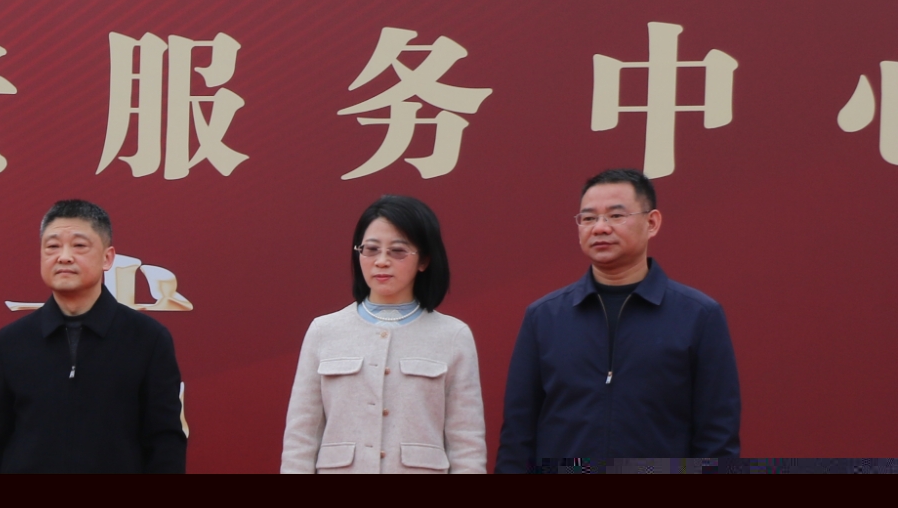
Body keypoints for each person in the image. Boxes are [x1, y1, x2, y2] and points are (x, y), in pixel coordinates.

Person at [496, 168, 740, 471]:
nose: (600, 228)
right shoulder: (544, 316)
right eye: (588, 218)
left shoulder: (699, 315)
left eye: (615, 216)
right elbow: (518, 433)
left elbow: (718, 434)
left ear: (652, 223)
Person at [0, 199, 185, 474]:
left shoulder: (147, 339)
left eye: (79, 245)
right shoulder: (11, 342)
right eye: (52, 247)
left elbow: (165, 442)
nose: (64, 257)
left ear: (107, 258)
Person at [281, 196, 485, 474]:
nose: (381, 261)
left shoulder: (452, 336)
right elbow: (300, 438)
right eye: (371, 249)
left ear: (424, 259)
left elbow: (466, 443)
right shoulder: (324, 331)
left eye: (397, 251)